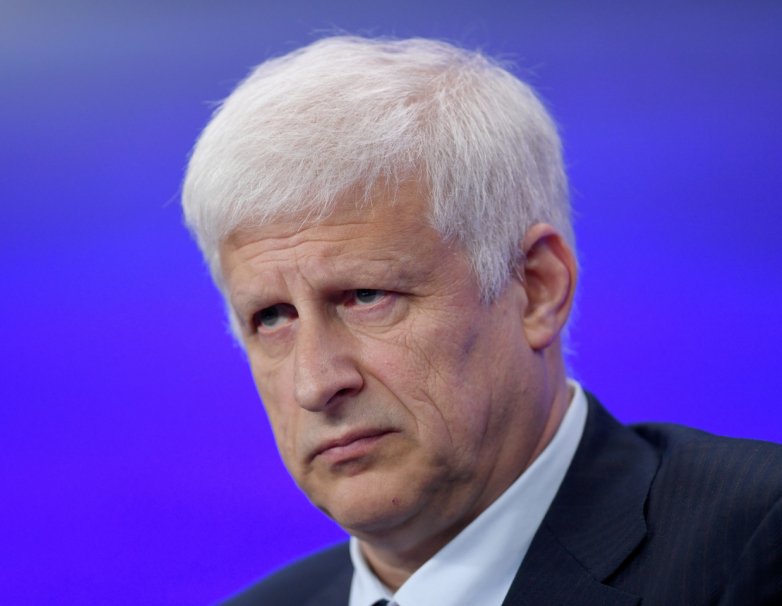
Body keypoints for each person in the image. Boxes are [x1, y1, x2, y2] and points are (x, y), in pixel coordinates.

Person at [181, 36, 782, 605]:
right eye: (272, 317)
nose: (315, 384)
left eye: (366, 296)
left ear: (536, 289)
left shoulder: (755, 541)